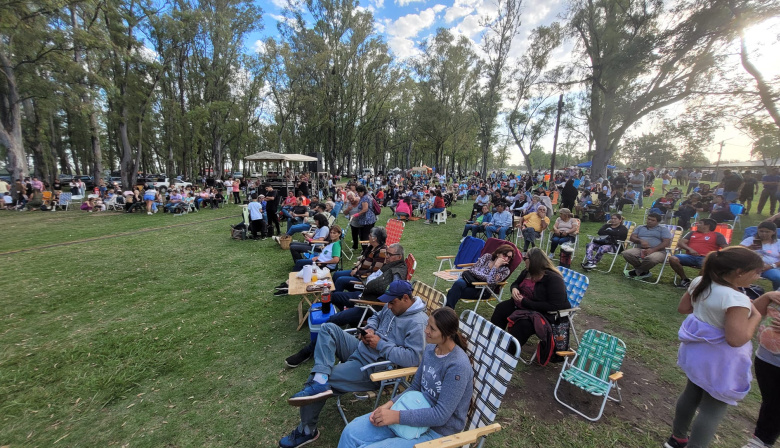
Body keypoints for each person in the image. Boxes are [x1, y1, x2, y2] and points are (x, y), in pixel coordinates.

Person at [278, 280, 428, 448]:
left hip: (375, 367)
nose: (389, 306)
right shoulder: (393, 305)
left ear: (406, 298)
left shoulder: (418, 323)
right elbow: (376, 317)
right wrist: (370, 329)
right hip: (362, 348)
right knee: (328, 328)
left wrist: (380, 344)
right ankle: (320, 378)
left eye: (392, 303)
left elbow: (414, 358)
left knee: (321, 380)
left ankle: (307, 430)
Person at [663, 247, 766, 448]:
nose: (759, 277)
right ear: (739, 272)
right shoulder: (736, 299)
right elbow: (736, 340)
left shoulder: (700, 281)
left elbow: (684, 308)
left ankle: (677, 438)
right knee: (712, 409)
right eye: (756, 272)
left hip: (697, 354)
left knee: (691, 393)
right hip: (720, 362)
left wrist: (710, 309)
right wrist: (756, 317)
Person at [337, 307, 473, 448]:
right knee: (350, 432)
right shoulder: (430, 349)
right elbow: (415, 387)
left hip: (438, 432)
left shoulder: (457, 366)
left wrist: (396, 416)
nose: (426, 330)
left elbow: (441, 415)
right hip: (413, 408)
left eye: (432, 329)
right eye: (427, 325)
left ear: (447, 334)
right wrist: (389, 405)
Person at [284, 243, 408, 368]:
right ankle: (350, 322)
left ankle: (307, 352)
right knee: (333, 296)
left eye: (389, 254)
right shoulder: (389, 266)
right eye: (386, 253)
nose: (386, 256)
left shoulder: (397, 272)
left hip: (370, 306)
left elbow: (390, 292)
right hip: (363, 297)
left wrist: (371, 284)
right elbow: (374, 280)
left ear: (398, 257)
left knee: (334, 320)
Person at [490, 247, 569, 350]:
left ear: (533, 261)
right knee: (501, 309)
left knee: (522, 325)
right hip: (520, 305)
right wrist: (514, 289)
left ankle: (508, 353)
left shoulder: (554, 279)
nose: (524, 260)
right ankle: (493, 341)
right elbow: (516, 283)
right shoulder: (528, 271)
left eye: (525, 258)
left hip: (540, 314)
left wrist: (525, 302)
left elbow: (556, 306)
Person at [741, 291, 780, 448]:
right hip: (766, 358)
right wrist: (766, 296)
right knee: (772, 401)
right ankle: (761, 440)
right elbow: (753, 312)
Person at [444, 244, 514, 309]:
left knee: (454, 291)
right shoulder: (487, 257)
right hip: (470, 281)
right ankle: (448, 311)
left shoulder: (505, 270)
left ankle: (447, 311)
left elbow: (490, 281)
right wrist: (486, 277)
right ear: (498, 253)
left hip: (483, 290)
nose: (506, 258)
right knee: (458, 283)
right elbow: (473, 270)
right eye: (505, 255)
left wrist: (495, 267)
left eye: (509, 257)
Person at [670, 218, 729, 288]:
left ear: (707, 225)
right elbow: (680, 242)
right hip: (690, 256)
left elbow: (726, 248)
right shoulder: (692, 233)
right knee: (673, 258)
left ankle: (696, 284)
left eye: (700, 223)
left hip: (707, 258)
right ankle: (685, 280)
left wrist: (717, 256)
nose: (697, 225)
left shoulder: (717, 235)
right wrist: (690, 249)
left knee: (708, 264)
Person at [330, 226, 386, 291]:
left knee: (340, 280)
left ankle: (335, 298)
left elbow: (374, 272)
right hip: (359, 271)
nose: (368, 236)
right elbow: (362, 259)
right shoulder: (371, 246)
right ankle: (332, 294)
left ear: (374, 238)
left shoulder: (381, 252)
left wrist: (357, 273)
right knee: (336, 274)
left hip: (364, 278)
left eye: (370, 235)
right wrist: (356, 268)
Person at [622, 213, 672, 278]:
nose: (649, 221)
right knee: (626, 253)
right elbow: (632, 237)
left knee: (652, 259)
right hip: (640, 249)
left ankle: (638, 271)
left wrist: (653, 250)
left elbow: (666, 242)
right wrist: (640, 241)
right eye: (648, 219)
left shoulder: (663, 229)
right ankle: (644, 271)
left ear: (658, 222)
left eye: (653, 220)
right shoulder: (640, 227)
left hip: (659, 251)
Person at [740, 221, 780, 290]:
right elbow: (737, 252)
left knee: (777, 276)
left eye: (767, 232)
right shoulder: (750, 240)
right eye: (761, 231)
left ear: (773, 232)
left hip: (770, 267)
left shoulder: (778, 243)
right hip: (751, 266)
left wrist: (771, 266)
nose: (764, 234)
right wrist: (750, 248)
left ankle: (777, 294)